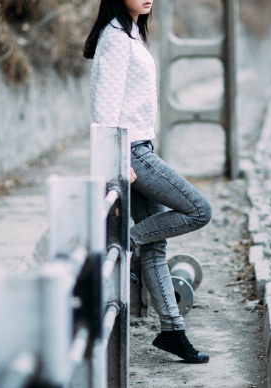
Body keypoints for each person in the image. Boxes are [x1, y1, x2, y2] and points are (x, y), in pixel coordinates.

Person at [84, 0, 212, 364]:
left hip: (139, 146)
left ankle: (173, 331)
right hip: (133, 152)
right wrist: (123, 159)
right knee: (199, 209)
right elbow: (104, 110)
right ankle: (126, 241)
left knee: (156, 248)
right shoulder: (115, 38)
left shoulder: (131, 33)